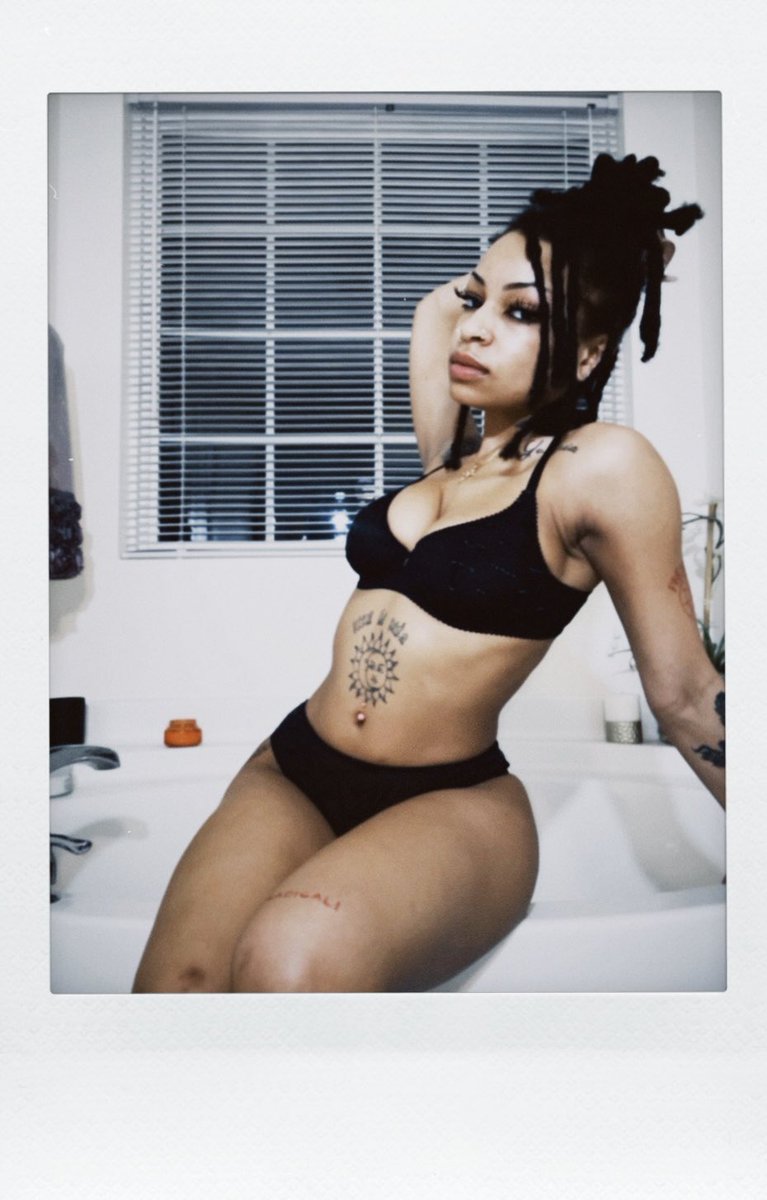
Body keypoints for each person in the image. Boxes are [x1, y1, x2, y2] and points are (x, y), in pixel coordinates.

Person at [132, 152, 725, 994]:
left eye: (521, 312)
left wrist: (606, 261)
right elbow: (435, 308)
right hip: (293, 768)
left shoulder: (597, 466)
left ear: (590, 354)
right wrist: (554, 254)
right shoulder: (449, 455)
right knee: (177, 990)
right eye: (478, 299)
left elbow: (688, 695)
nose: (474, 328)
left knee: (286, 962)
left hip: (447, 800)